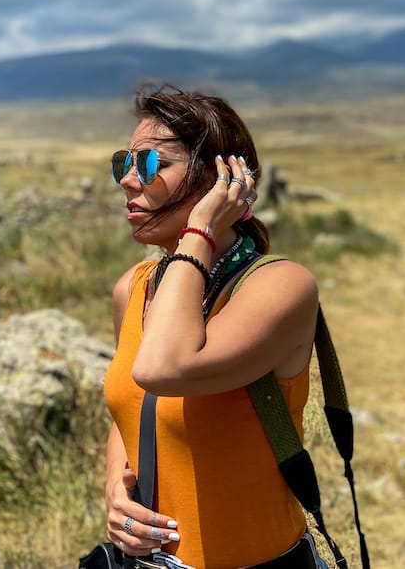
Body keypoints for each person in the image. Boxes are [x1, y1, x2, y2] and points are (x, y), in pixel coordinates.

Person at [101, 86, 323, 569]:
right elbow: (131, 405)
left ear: (219, 179)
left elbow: (164, 368)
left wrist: (199, 231)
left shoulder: (279, 286)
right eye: (125, 163)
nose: (128, 180)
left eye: (151, 164)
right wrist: (115, 487)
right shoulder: (134, 288)